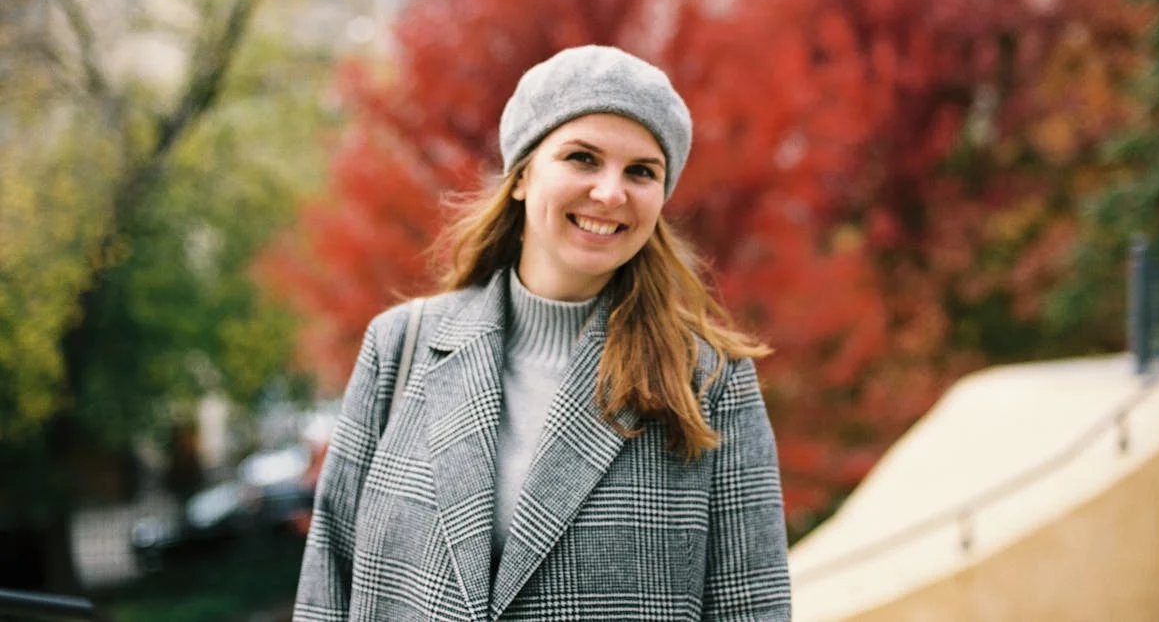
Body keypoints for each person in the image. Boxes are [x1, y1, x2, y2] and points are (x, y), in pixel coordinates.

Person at [294, 45, 792, 621]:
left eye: (641, 171)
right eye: (582, 158)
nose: (611, 193)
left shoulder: (710, 383)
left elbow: (752, 609)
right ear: (522, 176)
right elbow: (328, 587)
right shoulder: (400, 346)